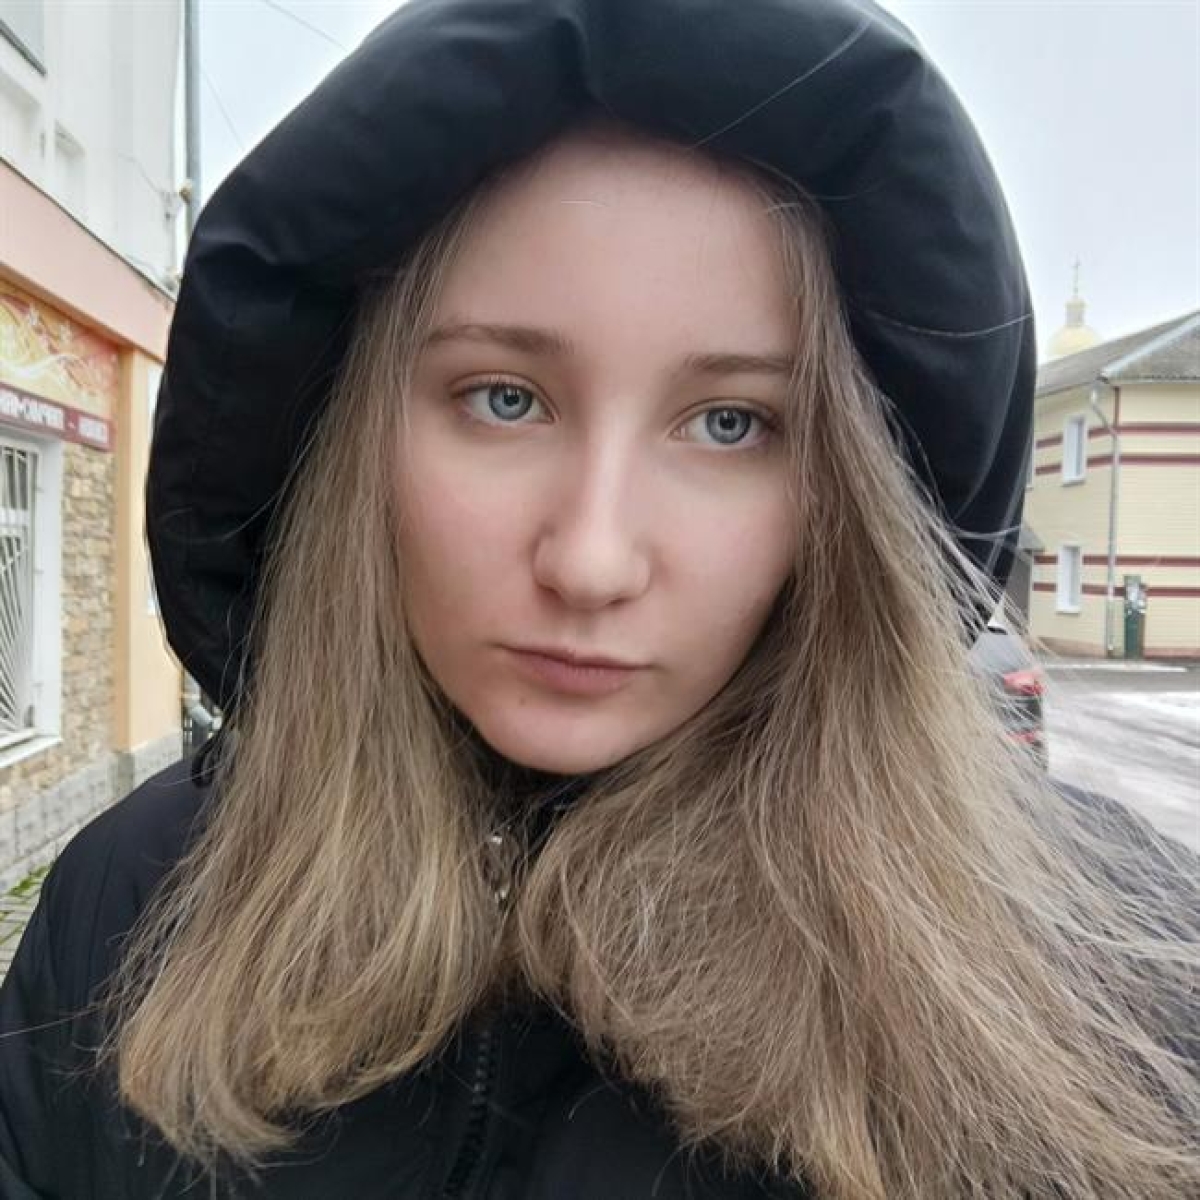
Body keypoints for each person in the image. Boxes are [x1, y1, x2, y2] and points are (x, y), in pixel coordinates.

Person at [1, 1, 1196, 1197]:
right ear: (353, 438)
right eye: (504, 398)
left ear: (849, 491)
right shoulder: (130, 907)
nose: (590, 561)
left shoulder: (1108, 979)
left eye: (730, 423)